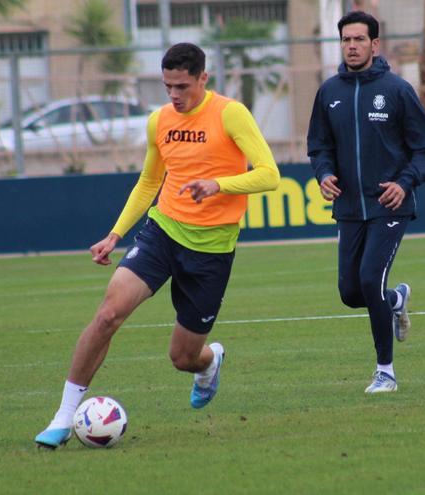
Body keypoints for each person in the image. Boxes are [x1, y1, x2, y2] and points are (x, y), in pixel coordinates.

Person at [35, 42, 280, 449]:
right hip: (162, 232)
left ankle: (210, 362)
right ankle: (63, 415)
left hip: (212, 249)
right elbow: (150, 181)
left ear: (204, 78)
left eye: (182, 86)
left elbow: (269, 175)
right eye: (167, 86)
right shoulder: (159, 121)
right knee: (108, 314)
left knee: (183, 357)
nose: (174, 95)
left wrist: (218, 184)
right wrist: (115, 233)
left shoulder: (231, 113)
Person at [307, 11, 425, 394]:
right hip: (349, 209)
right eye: (346, 40)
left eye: (359, 40)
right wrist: (324, 173)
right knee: (351, 293)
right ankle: (395, 299)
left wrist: (405, 182)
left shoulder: (397, 90)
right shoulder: (329, 92)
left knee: (369, 279)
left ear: (374, 44)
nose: (352, 46)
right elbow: (319, 145)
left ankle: (386, 372)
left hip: (390, 205)